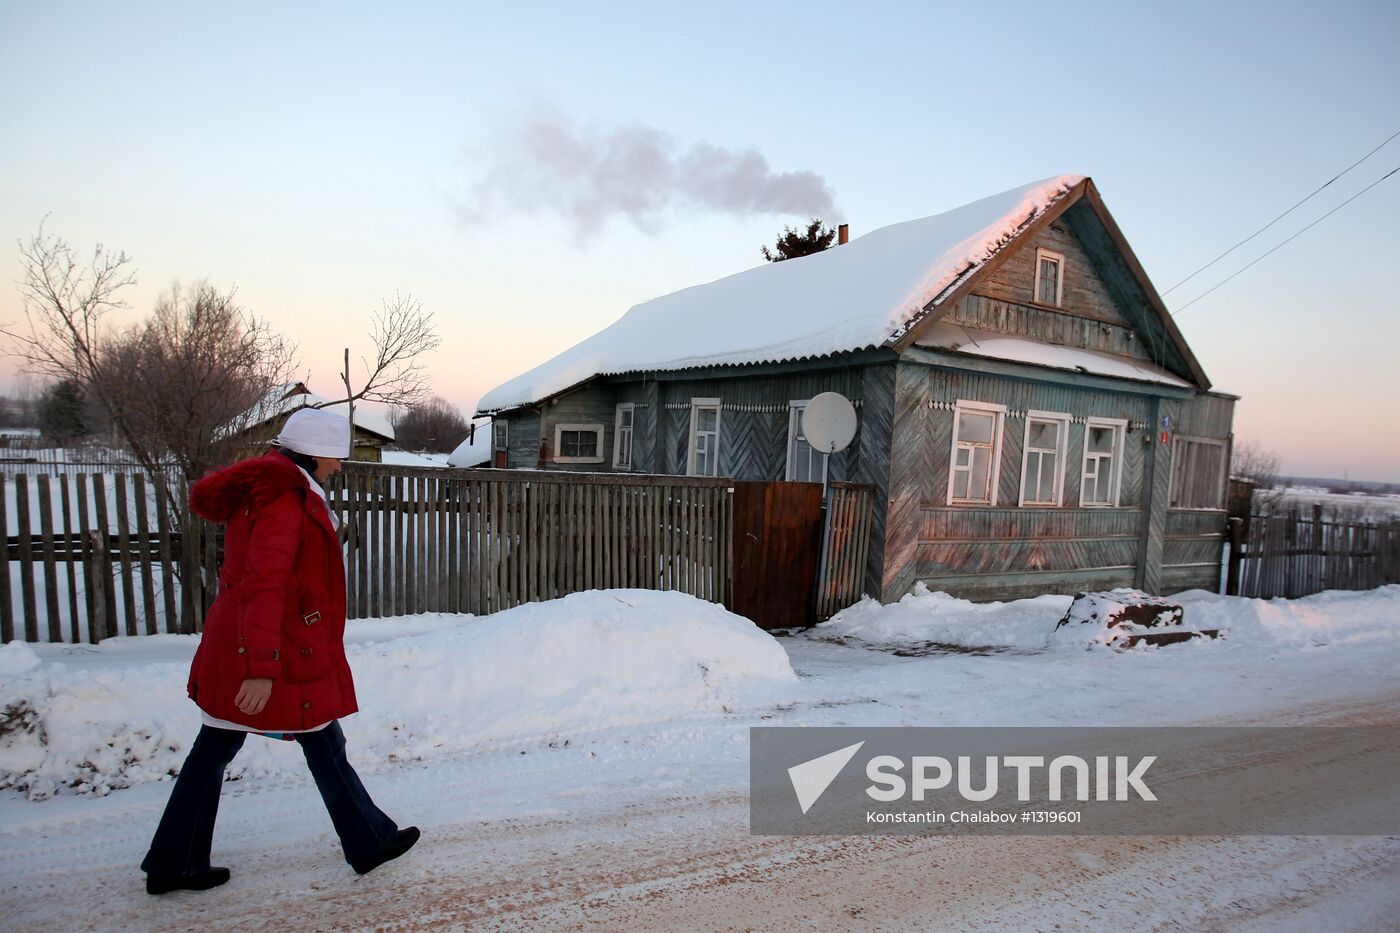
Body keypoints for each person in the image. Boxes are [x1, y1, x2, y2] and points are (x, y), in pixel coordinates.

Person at [142, 408, 419, 895]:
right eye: (335, 457)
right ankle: (369, 841)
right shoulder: (281, 500)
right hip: (275, 647)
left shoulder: (273, 489)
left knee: (236, 749)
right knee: (308, 745)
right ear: (312, 453)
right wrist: (261, 668)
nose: (337, 467)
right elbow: (264, 584)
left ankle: (175, 862)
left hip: (255, 640)